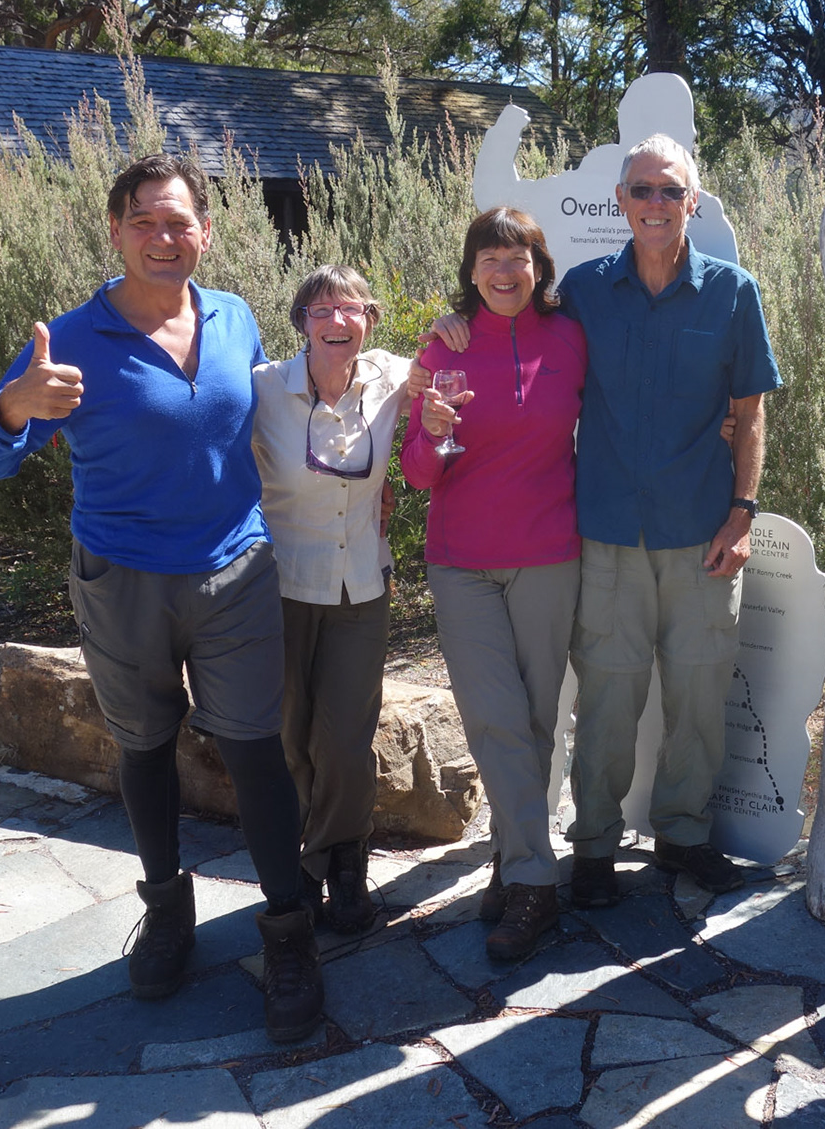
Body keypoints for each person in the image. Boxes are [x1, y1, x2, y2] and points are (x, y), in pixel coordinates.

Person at [0, 154, 323, 1043]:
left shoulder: (233, 317)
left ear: (206, 231)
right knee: (145, 747)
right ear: (116, 231)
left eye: (179, 221)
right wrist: (13, 407)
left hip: (235, 573)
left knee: (256, 752)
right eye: (145, 221)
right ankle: (165, 916)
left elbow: (272, 419)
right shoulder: (69, 339)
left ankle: (289, 936)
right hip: (122, 581)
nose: (164, 237)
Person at [427, 134, 780, 910]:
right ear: (620, 201)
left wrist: (743, 514)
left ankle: (683, 833)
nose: (655, 203)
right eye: (641, 190)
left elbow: (750, 414)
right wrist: (455, 322)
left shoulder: (733, 292)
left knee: (697, 694)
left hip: (703, 532)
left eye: (669, 189)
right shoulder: (583, 293)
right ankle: (592, 847)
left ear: (692, 201)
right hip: (607, 533)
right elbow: (510, 315)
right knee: (609, 701)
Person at [402, 208, 586, 961]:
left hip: (549, 553)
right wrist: (431, 429)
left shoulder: (571, 338)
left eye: (519, 259)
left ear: (539, 269)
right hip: (462, 562)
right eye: (490, 258)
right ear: (472, 270)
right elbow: (418, 474)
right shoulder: (444, 345)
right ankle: (536, 882)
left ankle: (512, 861)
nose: (505, 272)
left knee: (537, 720)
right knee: (494, 718)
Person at [250, 266, 411, 935]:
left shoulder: (393, 378)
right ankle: (303, 861)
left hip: (361, 584)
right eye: (322, 309)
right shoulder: (264, 388)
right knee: (289, 736)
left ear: (370, 320)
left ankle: (341, 859)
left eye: (352, 308)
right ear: (302, 322)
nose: (337, 320)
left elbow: (456, 367)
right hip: (280, 584)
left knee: (345, 738)